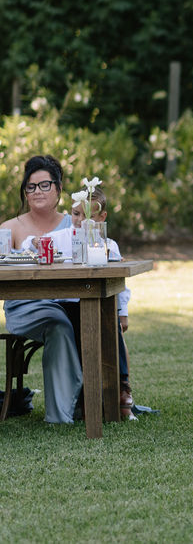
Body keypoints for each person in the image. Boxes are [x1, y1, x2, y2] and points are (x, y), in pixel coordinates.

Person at [0, 155, 80, 423]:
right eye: (31, 187)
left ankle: (106, 398)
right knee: (58, 324)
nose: (37, 192)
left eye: (45, 185)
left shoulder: (74, 225)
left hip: (69, 303)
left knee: (90, 322)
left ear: (58, 188)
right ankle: (61, 415)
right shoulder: (11, 228)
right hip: (25, 307)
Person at [47, 186, 138, 420]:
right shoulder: (60, 239)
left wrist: (122, 312)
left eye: (88, 215)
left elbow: (120, 284)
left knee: (108, 322)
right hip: (66, 305)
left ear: (101, 217)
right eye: (76, 214)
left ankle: (121, 386)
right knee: (79, 318)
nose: (81, 220)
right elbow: (31, 243)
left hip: (99, 305)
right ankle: (87, 394)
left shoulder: (110, 245)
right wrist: (35, 243)